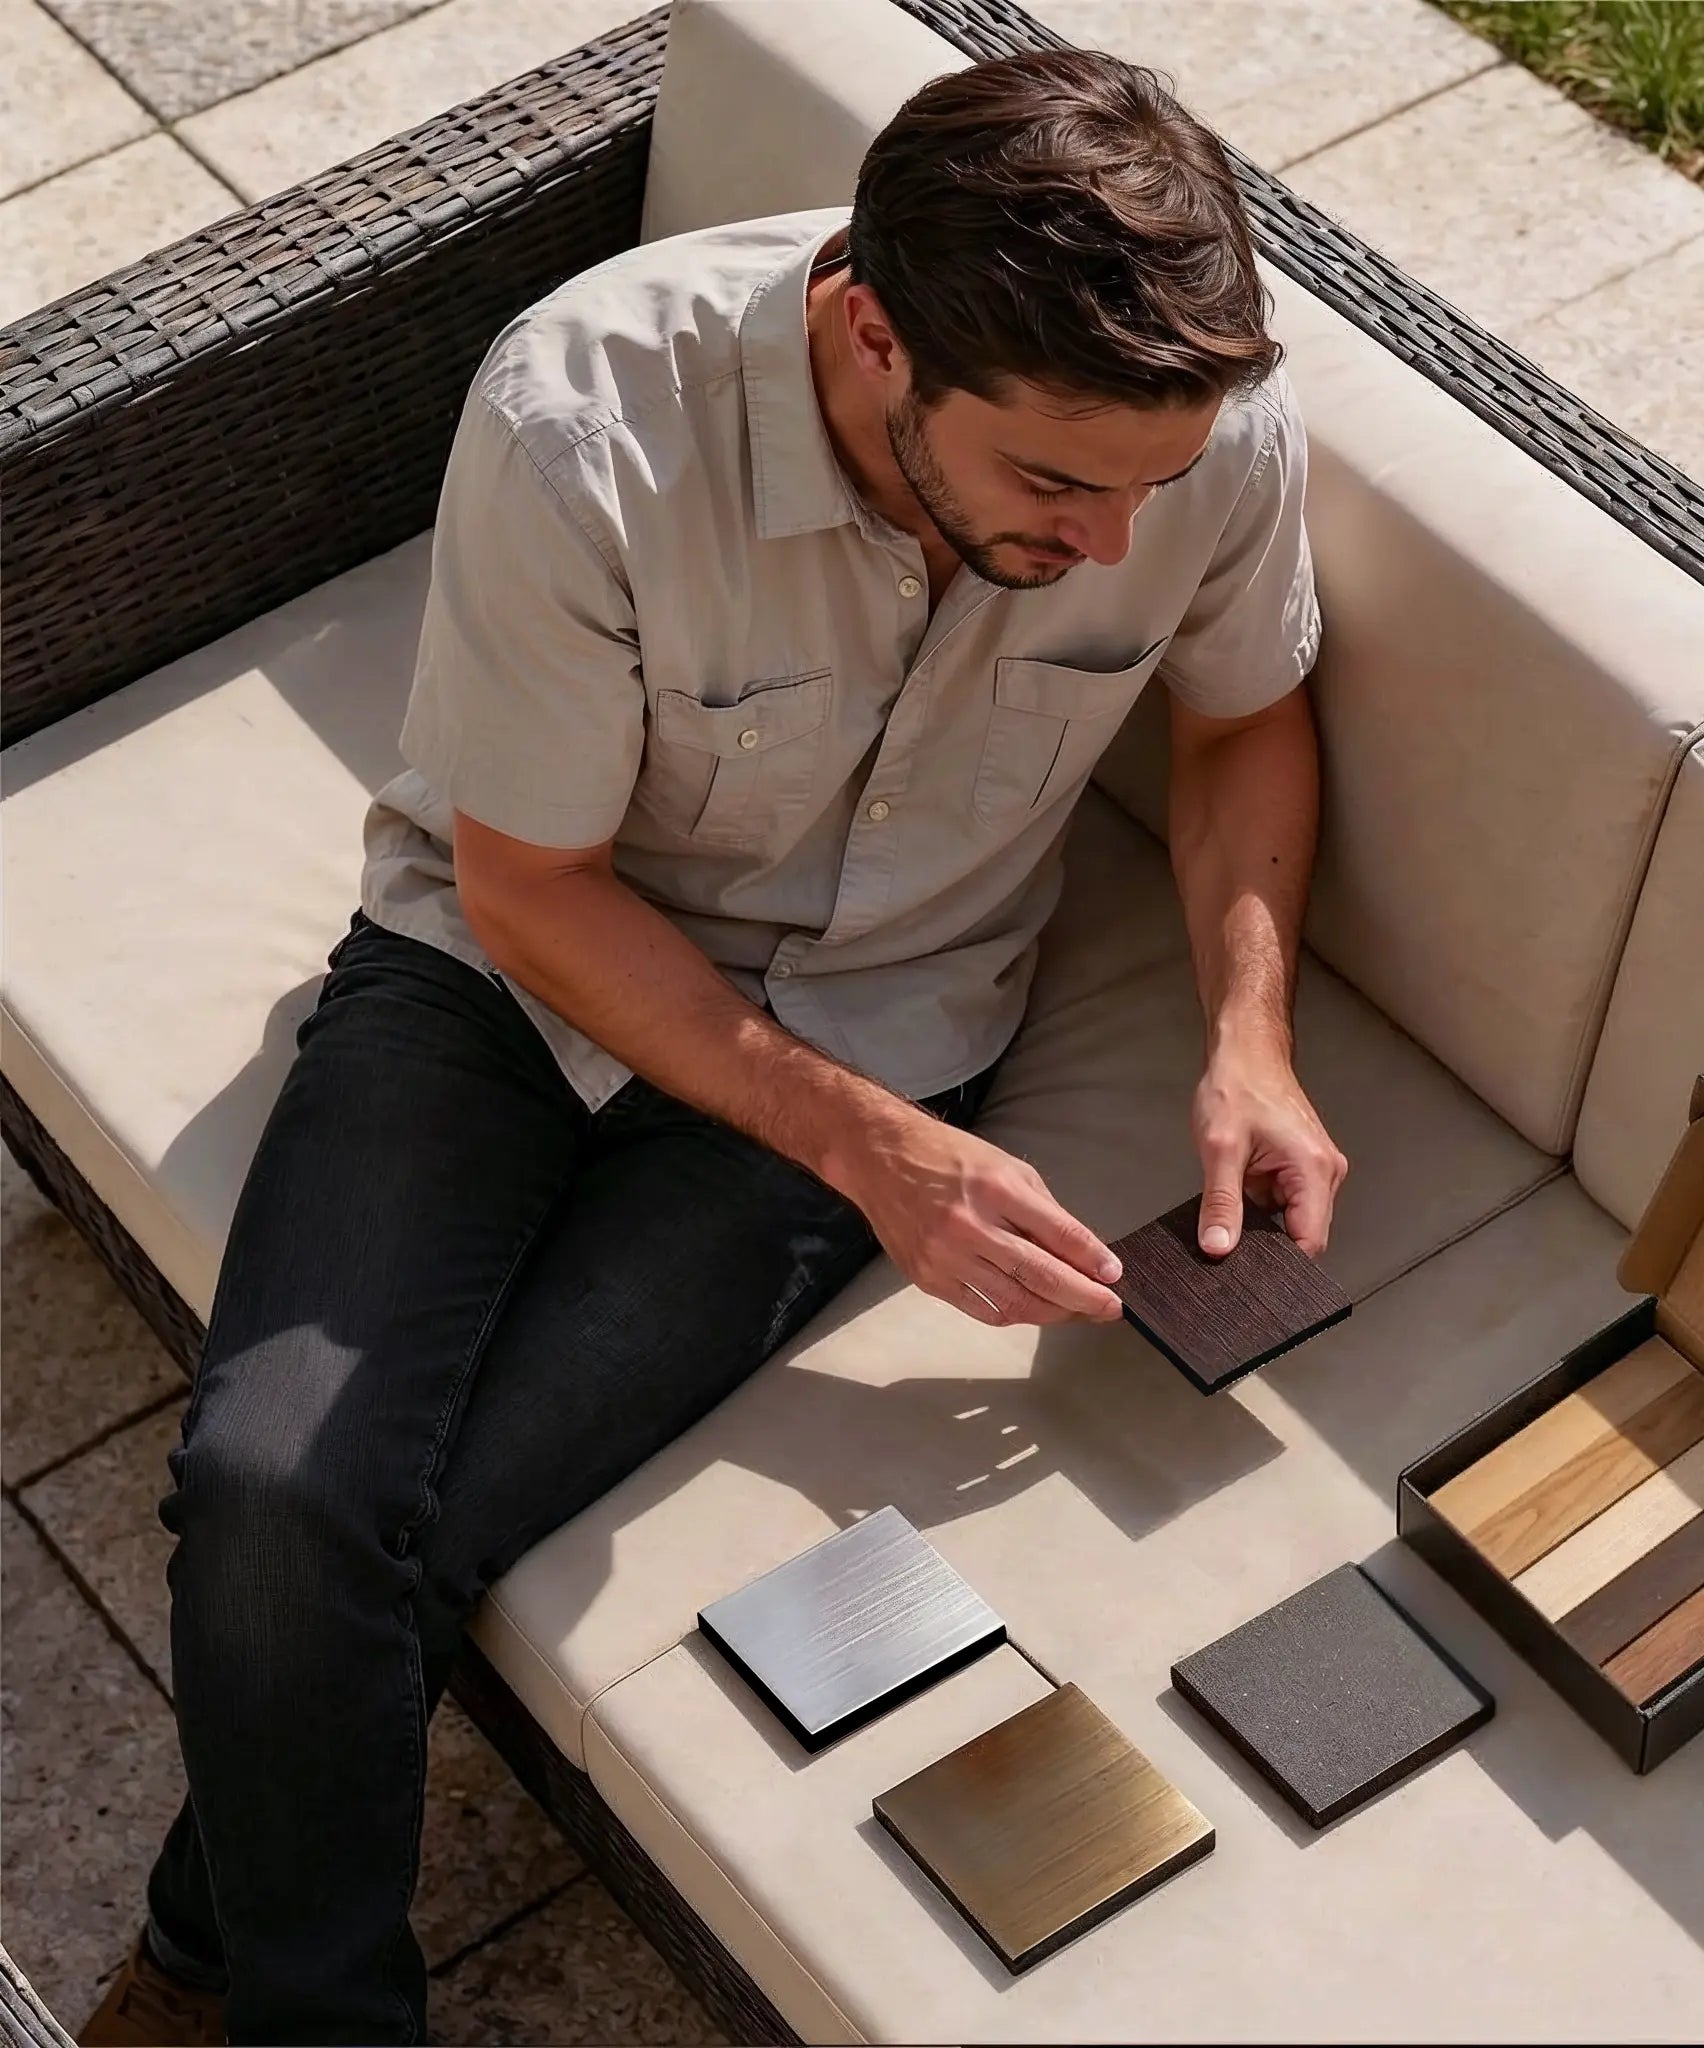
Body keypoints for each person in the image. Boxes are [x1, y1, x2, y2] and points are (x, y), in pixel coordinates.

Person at [81, 45, 1345, 2047]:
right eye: (1050, 483)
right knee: (272, 1482)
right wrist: (871, 1152)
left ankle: (195, 1973)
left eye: (1147, 489)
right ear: (867, 332)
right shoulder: (587, 418)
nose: (1114, 545)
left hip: (886, 1014)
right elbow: (534, 888)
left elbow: (1240, 715)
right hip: (503, 976)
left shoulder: (1202, 441)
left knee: (402, 1530)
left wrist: (1251, 1038)